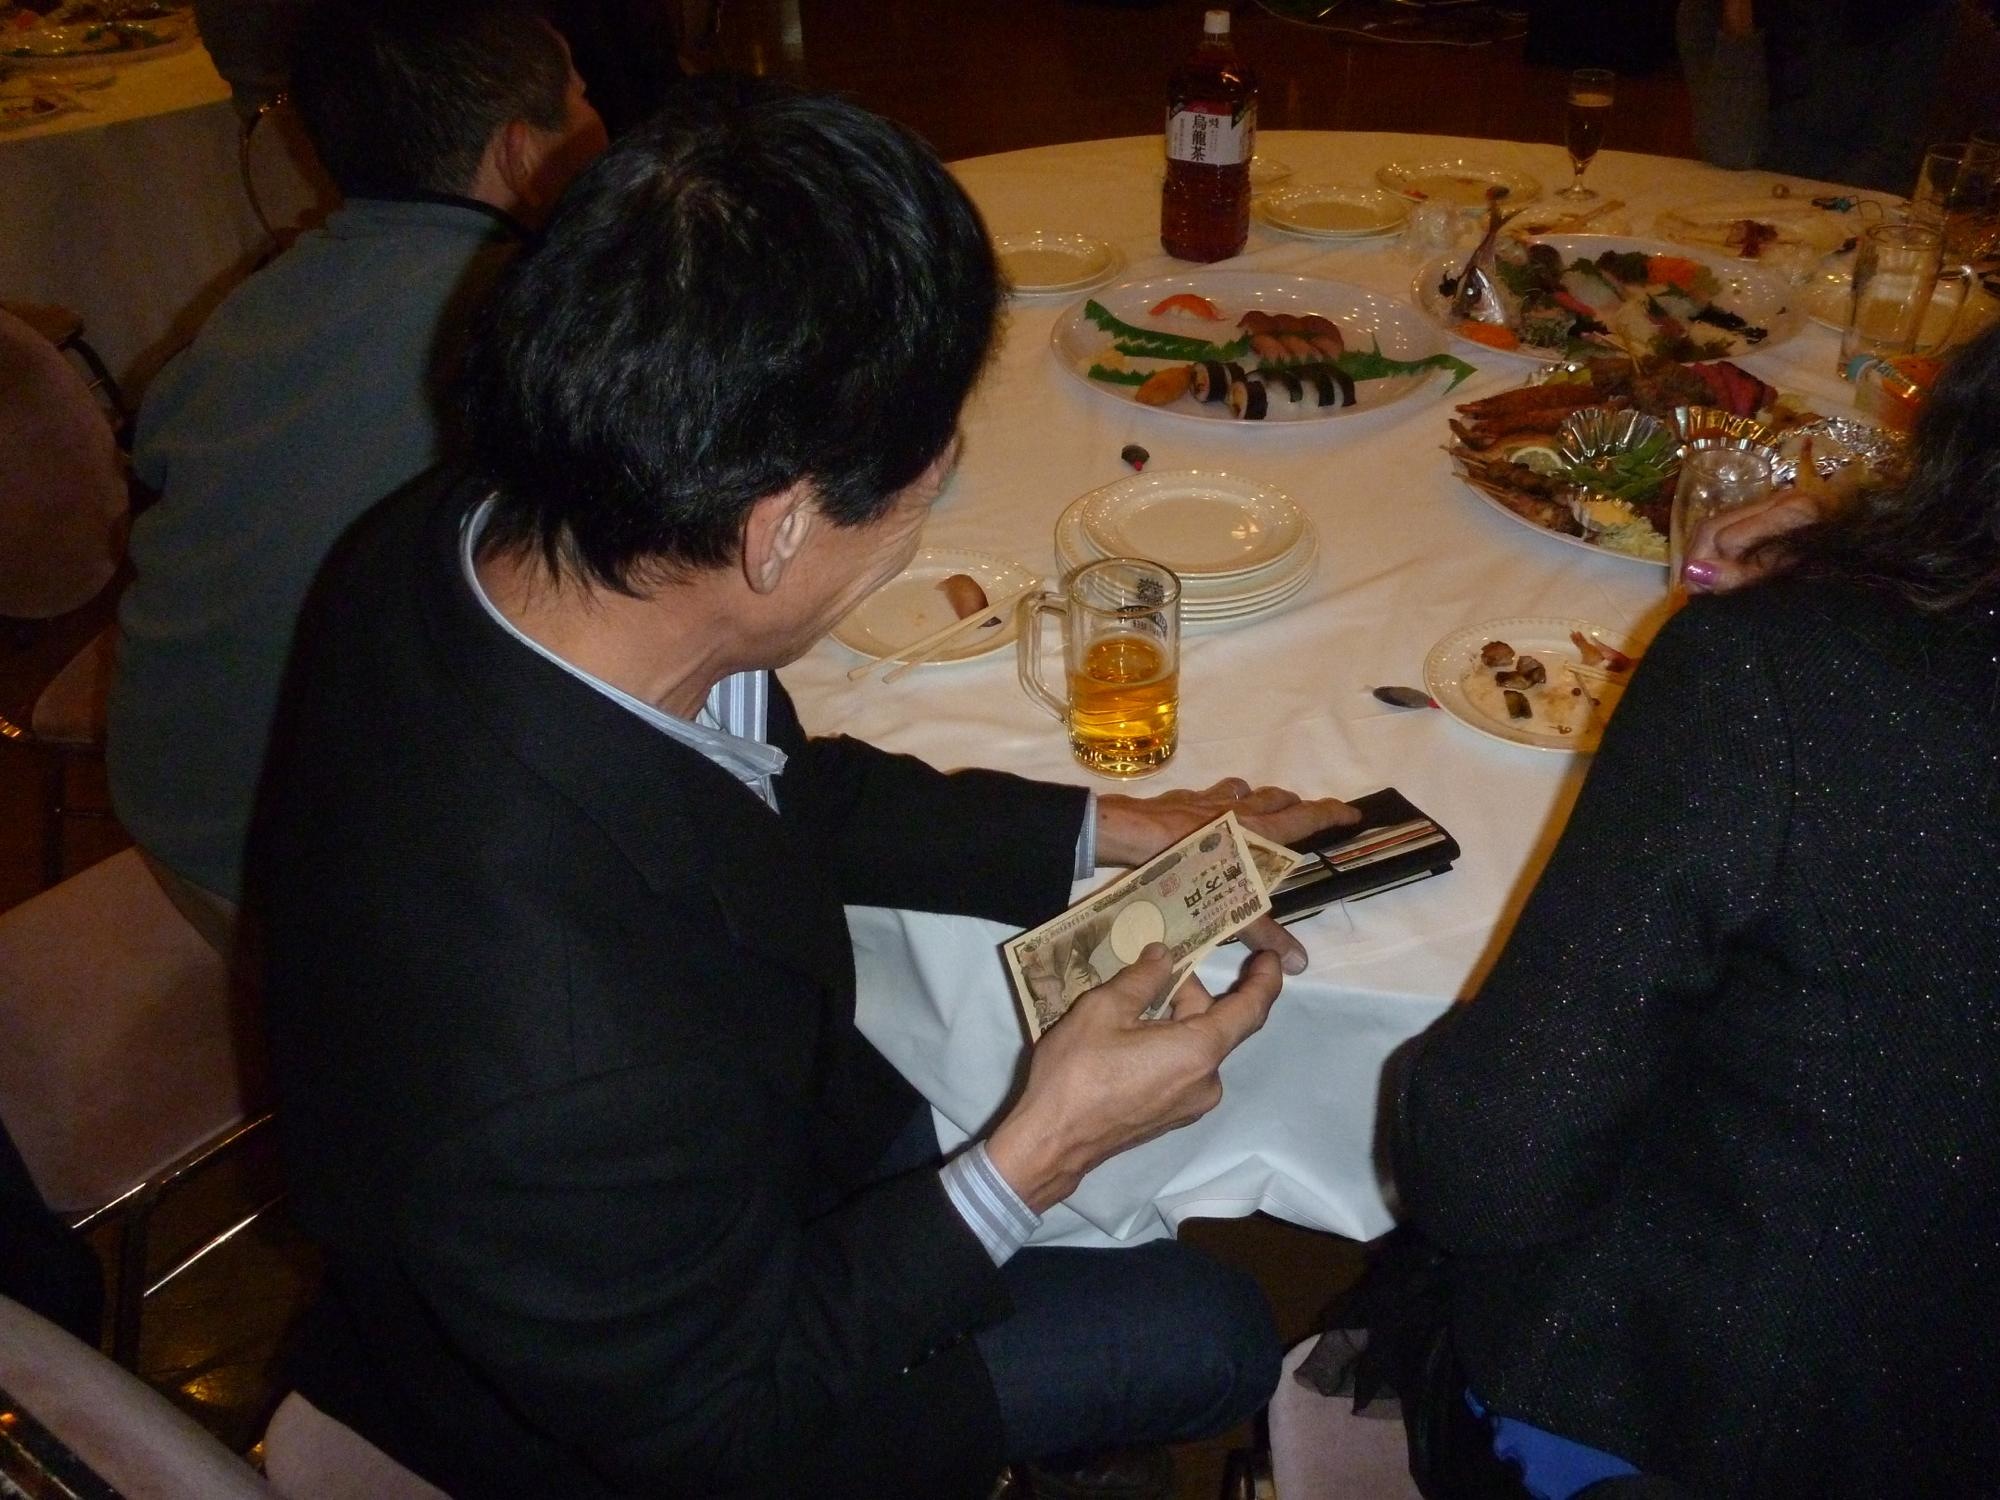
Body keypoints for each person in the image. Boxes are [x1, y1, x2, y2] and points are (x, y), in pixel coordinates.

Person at [248, 80, 1357, 1500]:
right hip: (636, 1419)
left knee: (999, 1107)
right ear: (776, 531)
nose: (930, 500)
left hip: (708, 1149)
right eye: (926, 476)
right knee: (1207, 1328)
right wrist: (1036, 1150)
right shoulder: (557, 1055)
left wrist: (1110, 824)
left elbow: (767, 781)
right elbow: (725, 1424)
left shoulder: (500, 531)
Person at [1385, 320, 2000, 1497]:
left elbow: (1492, 1161)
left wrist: (1822, 615)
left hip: (1725, 1417)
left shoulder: (1774, 673)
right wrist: (1875, 558)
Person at [107, 0, 607, 942]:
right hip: (341, 896)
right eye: (579, 95)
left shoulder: (251, 307)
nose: (597, 115)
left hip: (173, 816)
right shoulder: (538, 324)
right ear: (519, 153)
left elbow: (161, 456)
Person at [1675, 0, 1956, 193]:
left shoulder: (1912, 12)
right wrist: (1739, 24)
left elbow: (1890, 155)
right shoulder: (1708, 10)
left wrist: (1806, 214)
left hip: (1855, 213)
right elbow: (1732, 151)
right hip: (1740, 212)